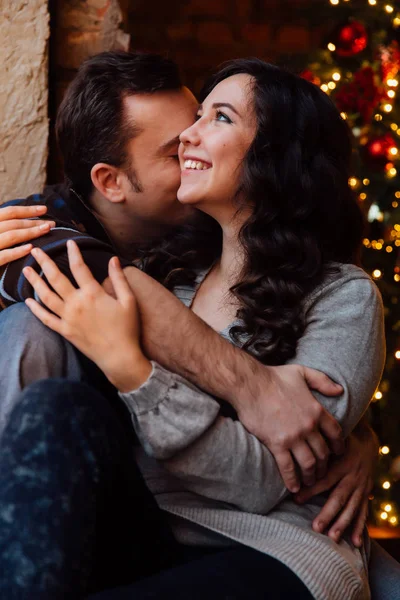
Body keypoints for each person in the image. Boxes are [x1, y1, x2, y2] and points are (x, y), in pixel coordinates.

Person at [0, 58, 389, 599]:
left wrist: (134, 371)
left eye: (218, 117)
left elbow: (261, 482)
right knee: (52, 400)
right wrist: (253, 389)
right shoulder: (163, 271)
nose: (189, 137)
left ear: (279, 156)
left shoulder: (341, 295)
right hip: (150, 529)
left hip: (264, 545)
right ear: (109, 183)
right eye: (195, 119)